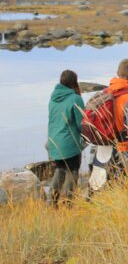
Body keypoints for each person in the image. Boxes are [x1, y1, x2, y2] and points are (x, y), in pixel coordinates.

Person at [46, 69, 84, 204]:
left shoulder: (53, 98)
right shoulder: (75, 98)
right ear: (74, 82)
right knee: (72, 171)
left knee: (60, 169)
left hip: (53, 142)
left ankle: (52, 201)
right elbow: (81, 125)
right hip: (69, 143)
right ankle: (68, 202)